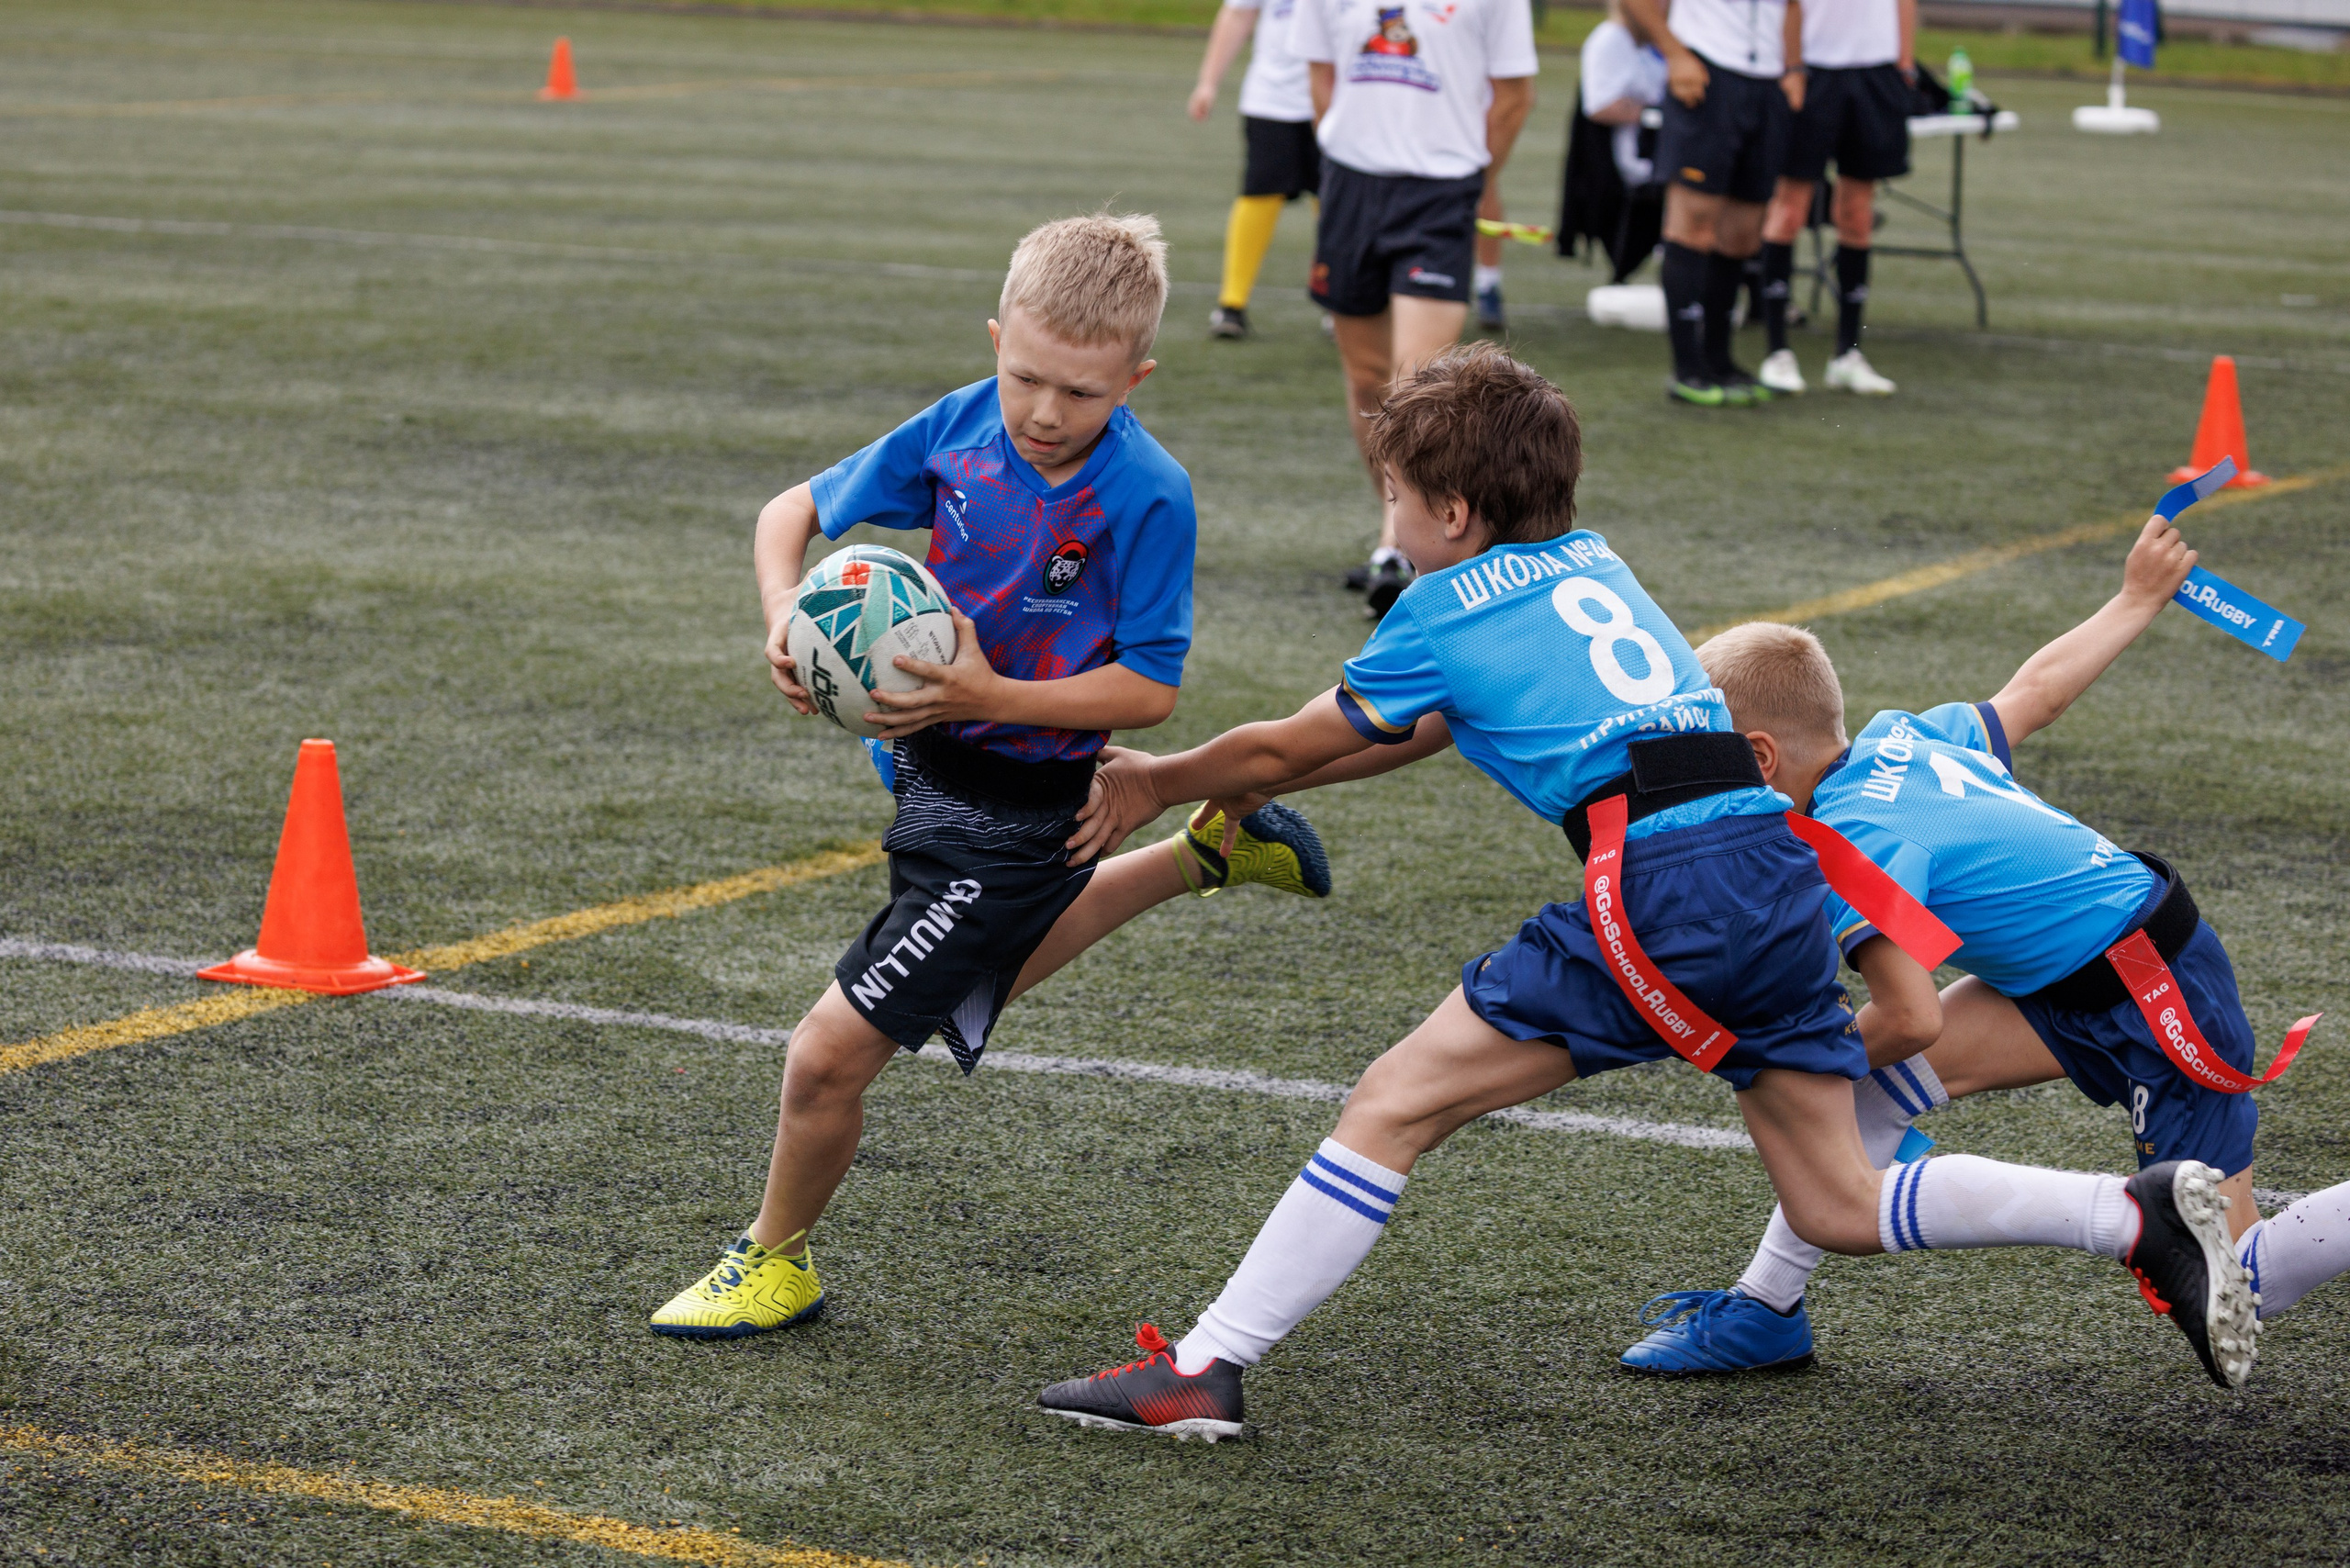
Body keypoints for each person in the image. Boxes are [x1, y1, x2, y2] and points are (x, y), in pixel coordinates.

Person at [1030, 345, 2257, 1439]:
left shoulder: (1441, 604)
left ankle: (1204, 1369)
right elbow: (1416, 734)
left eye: (1394, 498)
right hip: (1772, 870)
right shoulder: (1590, 563)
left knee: (1396, 1102)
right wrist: (1243, 787)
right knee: (1834, 1201)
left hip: (1660, 886)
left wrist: (1164, 778)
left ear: (1452, 511)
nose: (1389, 519)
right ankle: (2126, 1213)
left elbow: (1289, 746)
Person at [649, 215, 1332, 1340]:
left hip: (1016, 811)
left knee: (830, 1054)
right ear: (994, 340)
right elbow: (794, 513)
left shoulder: (1148, 493)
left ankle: (776, 1258)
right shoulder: (959, 428)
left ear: (1136, 378)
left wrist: (990, 697)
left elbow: (1149, 685)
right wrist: (788, 614)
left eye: (1083, 393)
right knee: (971, 980)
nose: (1046, 413)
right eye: (1025, 377)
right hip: (927, 770)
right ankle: (1202, 854)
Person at [1621, 532, 2337, 1374]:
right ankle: (1765, 1309)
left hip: (2156, 988)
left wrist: (1782, 1061)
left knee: (2241, 1278)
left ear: (1759, 759)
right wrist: (2137, 598)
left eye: (1708, 768)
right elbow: (2035, 694)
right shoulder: (1902, 740)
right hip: (2070, 976)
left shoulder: (1852, 842)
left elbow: (1909, 1015)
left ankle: (1769, 1304)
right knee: (1866, 1096)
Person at [1292, 0, 1537, 617]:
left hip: (1441, 190)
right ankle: (1407, 532)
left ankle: (1394, 551)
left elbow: (1514, 96)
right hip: (1351, 185)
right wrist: (1348, 147)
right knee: (1367, 380)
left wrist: (1468, 172)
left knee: (1418, 379)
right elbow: (1321, 76)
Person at [1623, 0, 1805, 407]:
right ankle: (1687, 368)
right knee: (1694, 222)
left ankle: (1719, 360)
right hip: (1707, 73)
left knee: (1743, 232)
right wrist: (1675, 53)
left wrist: (1793, 70)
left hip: (1767, 83)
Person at [1754, 0, 1915, 396]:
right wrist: (1792, 67)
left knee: (1857, 215)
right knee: (1789, 210)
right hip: (1812, 70)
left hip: (1876, 72)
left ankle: (1847, 355)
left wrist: (1904, 61)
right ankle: (1777, 353)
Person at [1191, 0, 1320, 341]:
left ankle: (1339, 302)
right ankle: (1232, 305)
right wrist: (1208, 82)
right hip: (1271, 100)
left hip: (1339, 99)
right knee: (1260, 193)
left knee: (1336, 201)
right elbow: (1237, 14)